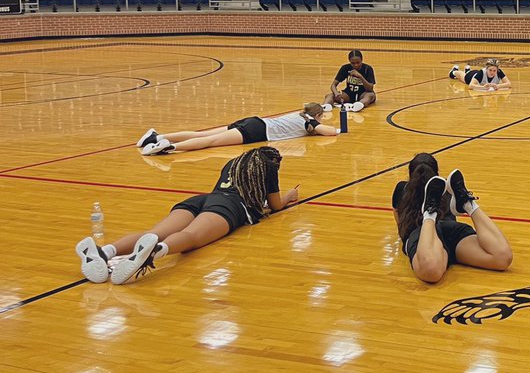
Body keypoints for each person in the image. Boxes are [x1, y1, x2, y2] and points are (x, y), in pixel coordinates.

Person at [75, 147, 297, 284]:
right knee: (191, 237)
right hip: (230, 206)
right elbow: (276, 205)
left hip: (202, 199)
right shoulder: (268, 166)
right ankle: (155, 252)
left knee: (153, 232)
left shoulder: (234, 162)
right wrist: (289, 196)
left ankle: (105, 251)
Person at [391, 153, 513, 284]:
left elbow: (401, 228)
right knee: (502, 258)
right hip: (451, 232)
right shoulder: (445, 187)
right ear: (436, 173)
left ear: (410, 175)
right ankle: (469, 205)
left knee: (431, 271)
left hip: (421, 235)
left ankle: (429, 214)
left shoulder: (402, 188)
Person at [136, 103, 338, 155]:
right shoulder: (308, 121)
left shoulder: (297, 114)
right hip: (256, 132)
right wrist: (338, 130)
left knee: (204, 134)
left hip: (253, 121)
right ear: (317, 115)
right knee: (210, 143)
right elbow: (328, 132)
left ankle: (156, 136)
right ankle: (168, 147)